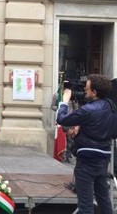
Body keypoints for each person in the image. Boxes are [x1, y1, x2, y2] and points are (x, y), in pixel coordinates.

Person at [57, 74, 113, 214]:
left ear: (94, 92)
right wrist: (83, 129)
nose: (84, 92)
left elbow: (62, 119)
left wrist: (64, 101)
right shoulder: (112, 107)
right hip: (104, 157)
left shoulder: (88, 110)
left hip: (87, 159)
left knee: (86, 206)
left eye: (87, 89)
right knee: (105, 202)